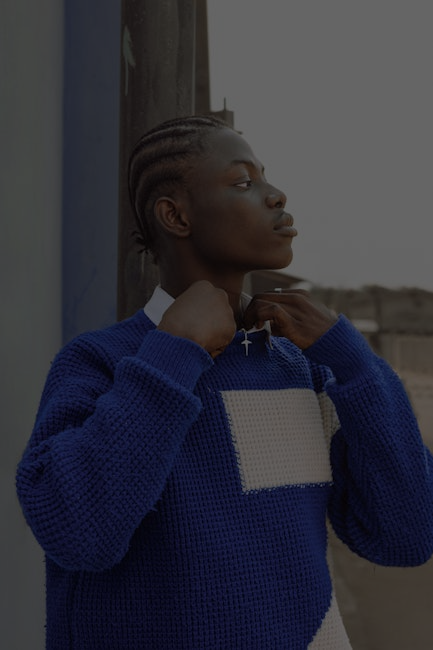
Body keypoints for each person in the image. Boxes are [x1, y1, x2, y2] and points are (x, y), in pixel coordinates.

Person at [16, 115, 433, 649]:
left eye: (266, 177)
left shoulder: (303, 369)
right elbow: (76, 532)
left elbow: (406, 536)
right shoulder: (103, 360)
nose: (276, 195)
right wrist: (174, 354)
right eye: (243, 181)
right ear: (176, 215)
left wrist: (354, 363)